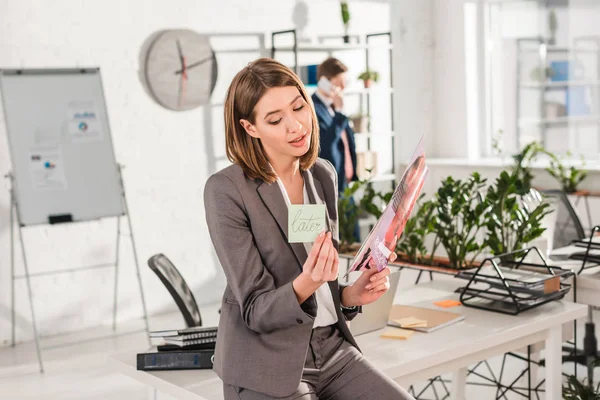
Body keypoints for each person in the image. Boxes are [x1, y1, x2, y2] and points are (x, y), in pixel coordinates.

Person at [204, 58, 414, 400]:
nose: (296, 126)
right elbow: (256, 310)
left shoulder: (322, 174)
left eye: (299, 107)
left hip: (332, 348)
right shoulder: (226, 190)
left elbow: (322, 284)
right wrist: (309, 281)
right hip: (267, 358)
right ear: (250, 127)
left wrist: (349, 295)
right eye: (275, 119)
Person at [311, 57, 357, 194]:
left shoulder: (336, 108)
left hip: (345, 182)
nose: (343, 88)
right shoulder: (313, 108)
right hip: (328, 185)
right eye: (339, 83)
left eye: (344, 83)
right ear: (324, 82)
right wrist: (339, 112)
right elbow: (324, 146)